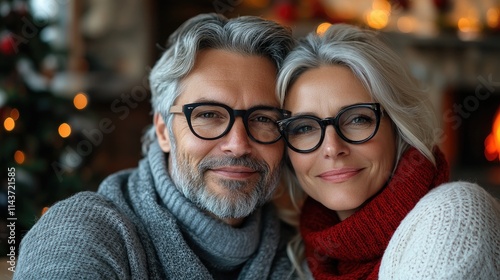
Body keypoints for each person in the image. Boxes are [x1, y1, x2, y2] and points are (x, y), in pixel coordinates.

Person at [14, 13, 298, 279]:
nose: (238, 145)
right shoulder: (80, 232)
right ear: (163, 131)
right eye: (208, 115)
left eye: (263, 118)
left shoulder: (299, 253)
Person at [276, 23, 500, 279]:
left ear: (396, 126)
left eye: (358, 119)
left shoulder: (455, 214)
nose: (332, 148)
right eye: (304, 128)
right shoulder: (306, 251)